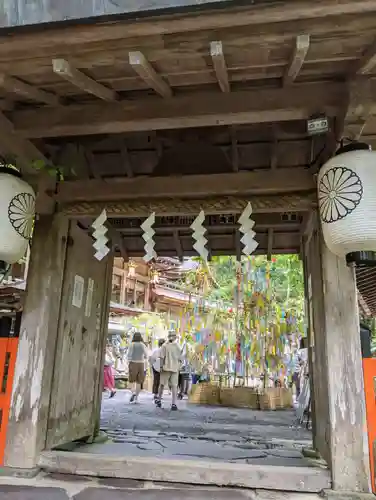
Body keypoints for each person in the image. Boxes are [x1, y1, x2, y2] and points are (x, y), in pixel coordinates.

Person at [156, 330, 182, 411]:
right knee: (174, 386)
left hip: (165, 368)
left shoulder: (164, 346)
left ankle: (159, 400)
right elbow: (180, 358)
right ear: (174, 337)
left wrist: (160, 367)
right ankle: (174, 404)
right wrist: (179, 366)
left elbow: (161, 358)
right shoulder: (177, 346)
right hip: (174, 369)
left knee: (162, 384)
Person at [127, 331, 148, 403]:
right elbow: (146, 355)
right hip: (141, 364)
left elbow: (129, 354)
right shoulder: (142, 345)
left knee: (131, 380)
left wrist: (129, 361)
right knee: (139, 382)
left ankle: (133, 393)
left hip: (133, 363)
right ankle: (136, 398)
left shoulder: (132, 344)